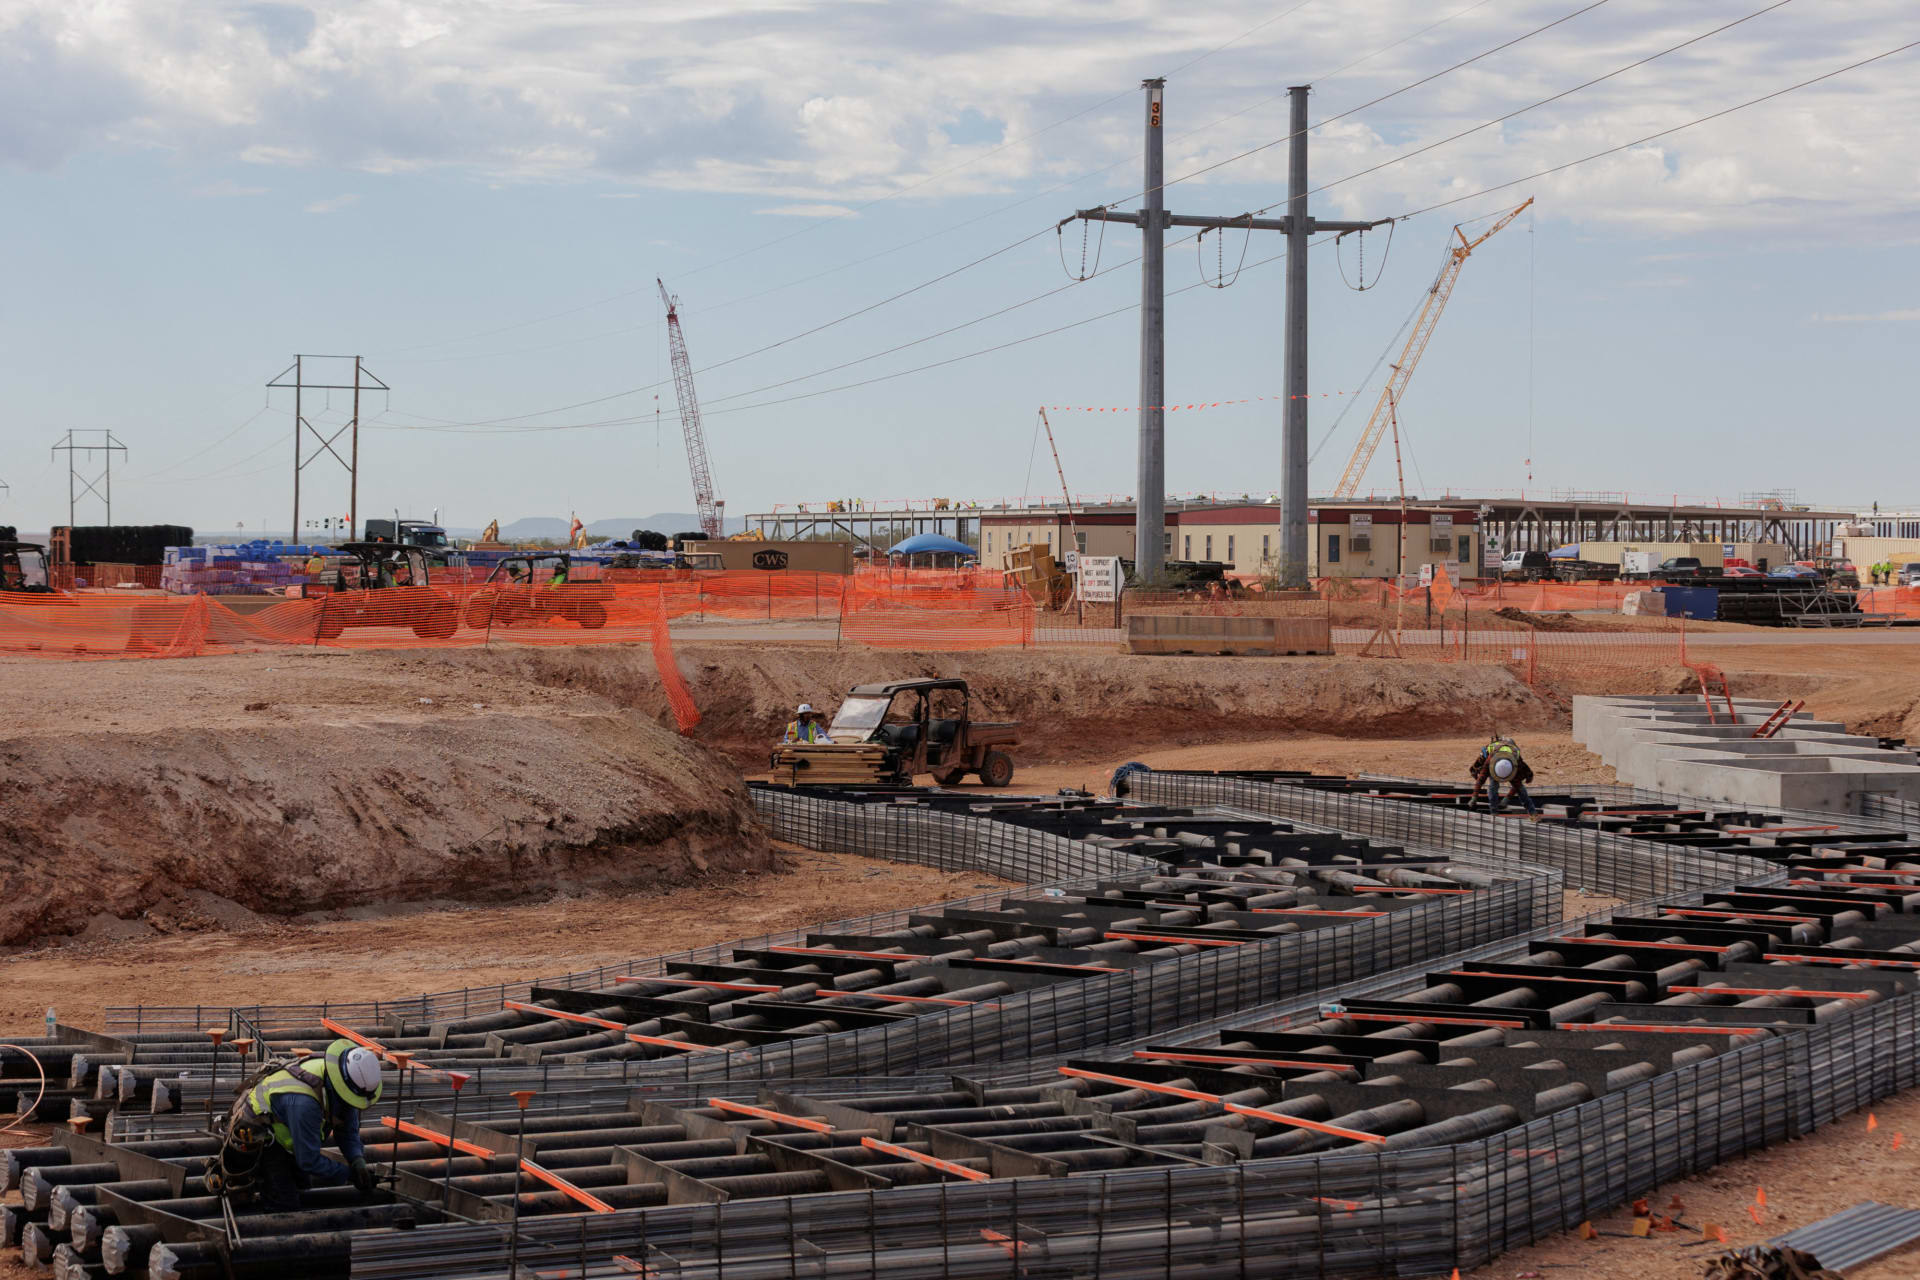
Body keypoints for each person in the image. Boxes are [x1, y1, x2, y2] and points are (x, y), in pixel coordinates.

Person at [231, 1038, 383, 1212]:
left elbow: (346, 1129)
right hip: (262, 1136)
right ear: (342, 1086)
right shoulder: (304, 1104)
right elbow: (309, 1160)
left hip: (289, 1128)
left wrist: (357, 1160)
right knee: (285, 1203)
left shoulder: (338, 1079)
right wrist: (348, 1175)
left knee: (302, 1183)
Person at [1470, 735, 1538, 816]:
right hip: (1493, 761)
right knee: (1493, 787)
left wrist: (1507, 798)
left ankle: (1533, 813)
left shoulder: (1517, 761)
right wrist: (1474, 796)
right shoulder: (1489, 760)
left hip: (1510, 763)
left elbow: (1518, 784)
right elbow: (1481, 779)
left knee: (1522, 790)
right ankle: (1494, 812)